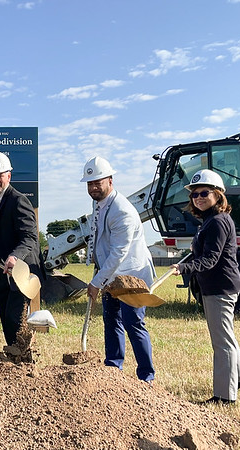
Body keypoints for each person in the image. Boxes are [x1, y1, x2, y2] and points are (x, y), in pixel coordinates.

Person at [170, 169, 240, 404]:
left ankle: (224, 396)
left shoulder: (217, 222)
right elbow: (203, 253)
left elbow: (210, 260)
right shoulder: (209, 221)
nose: (199, 198)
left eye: (204, 193)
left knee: (221, 341)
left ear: (218, 195)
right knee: (226, 335)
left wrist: (183, 269)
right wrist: (186, 260)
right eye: (195, 195)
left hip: (221, 287)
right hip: (216, 286)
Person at [82, 156, 156, 383]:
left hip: (131, 275)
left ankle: (147, 376)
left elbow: (118, 254)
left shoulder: (122, 211)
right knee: (111, 319)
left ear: (110, 181)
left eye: (98, 182)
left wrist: (96, 282)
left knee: (133, 323)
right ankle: (113, 369)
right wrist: (98, 274)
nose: (94, 187)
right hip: (110, 275)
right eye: (90, 183)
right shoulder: (99, 204)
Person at [0, 151, 43, 346]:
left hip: (22, 273)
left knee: (16, 320)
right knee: (6, 320)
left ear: (9, 175)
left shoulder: (19, 200)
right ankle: (13, 358)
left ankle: (23, 363)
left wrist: (15, 256)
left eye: (0, 176)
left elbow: (30, 237)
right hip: (3, 272)